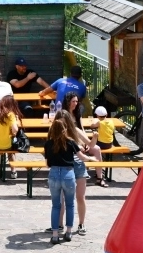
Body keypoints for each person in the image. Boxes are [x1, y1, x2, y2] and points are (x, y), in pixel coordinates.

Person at [44, 114, 97, 244]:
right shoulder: (70, 142)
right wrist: (91, 159)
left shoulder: (49, 143)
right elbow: (82, 156)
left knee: (58, 204)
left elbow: (47, 163)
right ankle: (67, 231)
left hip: (57, 172)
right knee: (69, 203)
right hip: (68, 171)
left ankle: (57, 233)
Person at [62, 91, 106, 186]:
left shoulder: (77, 114)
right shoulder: (63, 115)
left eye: (76, 101)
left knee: (97, 149)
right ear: (68, 101)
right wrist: (78, 145)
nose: (75, 103)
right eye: (73, 101)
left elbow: (81, 129)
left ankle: (100, 178)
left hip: (80, 140)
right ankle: (78, 176)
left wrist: (85, 143)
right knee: (79, 151)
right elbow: (65, 134)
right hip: (70, 143)